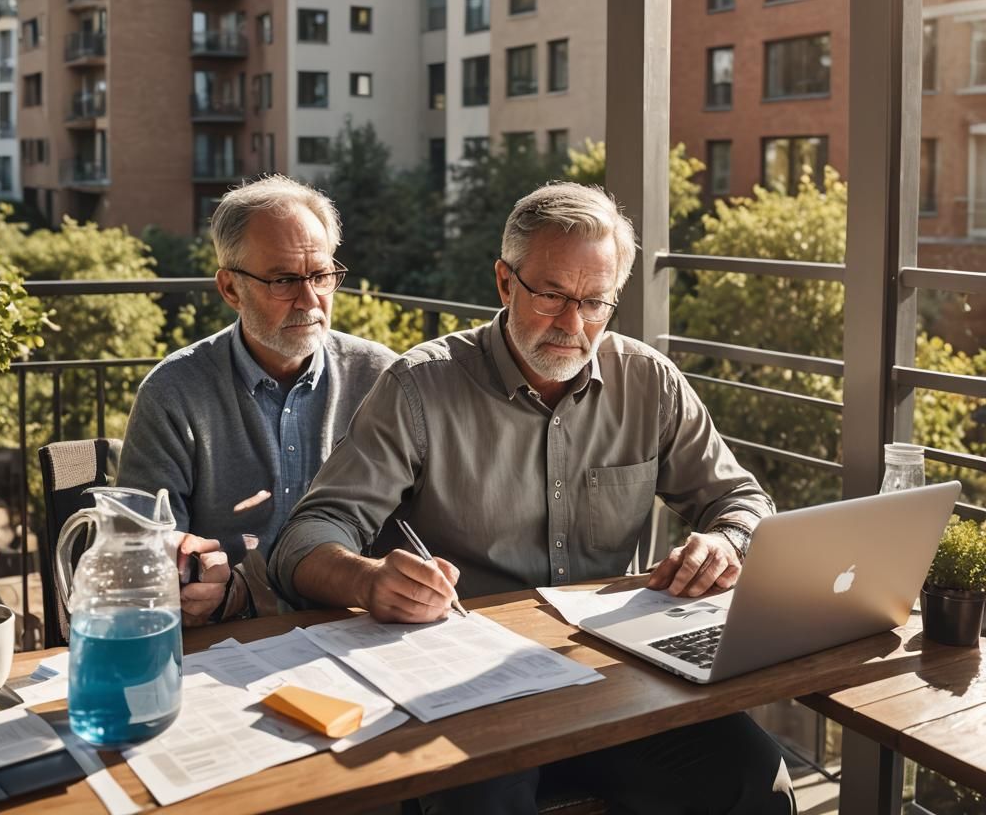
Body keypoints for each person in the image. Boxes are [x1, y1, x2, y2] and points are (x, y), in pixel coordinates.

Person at [269, 182, 795, 814]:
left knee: (754, 778)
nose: (573, 324)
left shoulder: (649, 380)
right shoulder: (419, 387)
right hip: (467, 690)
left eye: (595, 302)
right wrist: (367, 578)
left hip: (616, 676)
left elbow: (742, 500)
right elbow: (304, 538)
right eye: (551, 295)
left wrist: (727, 540)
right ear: (504, 282)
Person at [118, 175, 396, 625]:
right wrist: (177, 568)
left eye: (321, 275)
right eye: (284, 280)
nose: (311, 301)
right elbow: (142, 549)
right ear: (230, 289)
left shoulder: (381, 377)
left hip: (357, 626)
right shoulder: (174, 392)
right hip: (227, 640)